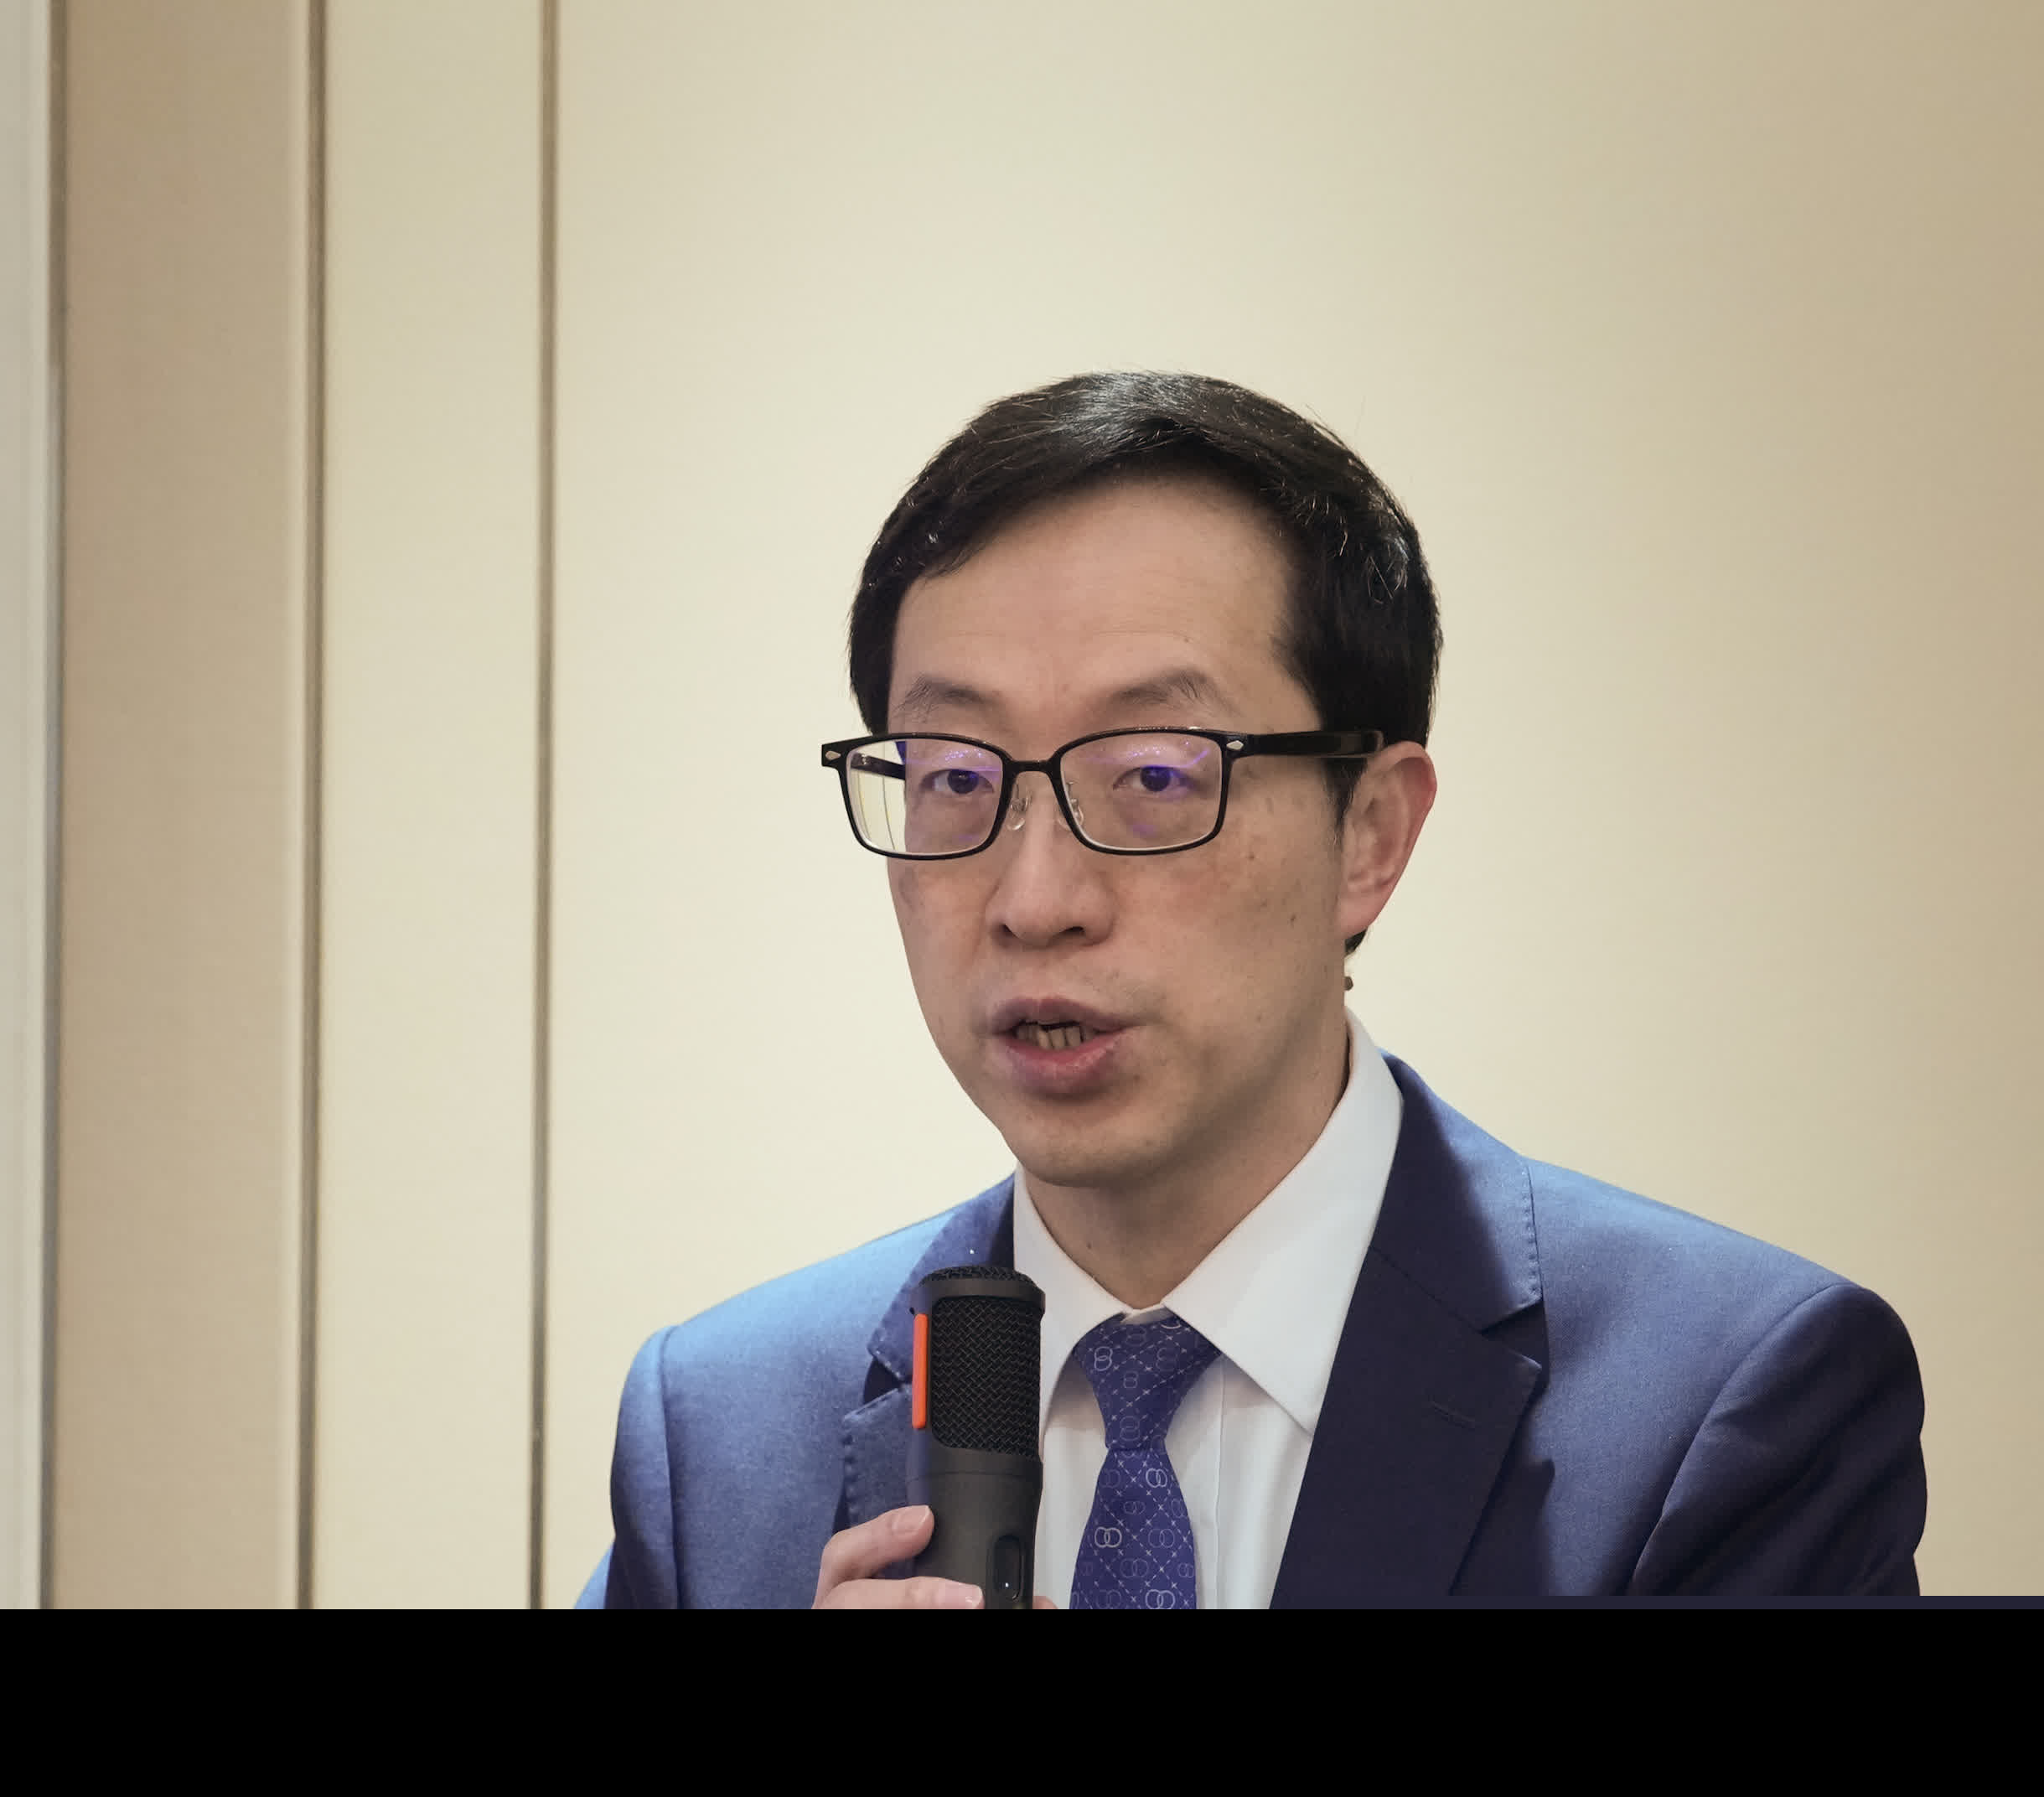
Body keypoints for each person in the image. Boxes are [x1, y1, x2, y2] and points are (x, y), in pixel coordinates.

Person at [587, 373, 1925, 1607]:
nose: (1035, 897)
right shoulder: (721, 1439)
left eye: (1155, 777)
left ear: (1372, 834)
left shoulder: (1724, 1406)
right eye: (952, 777)